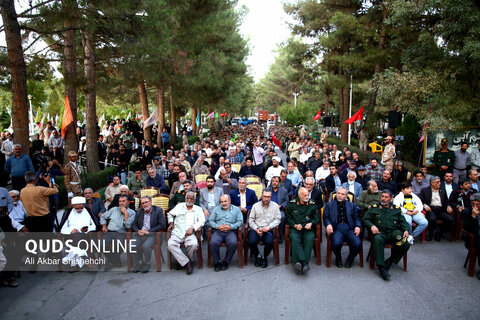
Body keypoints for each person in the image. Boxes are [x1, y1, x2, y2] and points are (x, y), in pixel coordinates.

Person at [363, 190, 410, 281]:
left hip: (394, 233)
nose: (383, 199)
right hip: (381, 233)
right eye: (382, 196)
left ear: (391, 198)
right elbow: (365, 219)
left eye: (386, 197)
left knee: (405, 243)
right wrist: (372, 226)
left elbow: (403, 221)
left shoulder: (396, 209)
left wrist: (406, 230)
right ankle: (381, 267)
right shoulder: (375, 207)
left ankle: (390, 260)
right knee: (377, 239)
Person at [167, 192, 205, 275]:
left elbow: (202, 221)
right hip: (178, 232)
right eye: (188, 198)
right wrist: (171, 223)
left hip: (190, 233)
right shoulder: (179, 206)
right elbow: (170, 214)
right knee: (170, 244)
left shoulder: (198, 209)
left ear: (195, 200)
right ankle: (187, 262)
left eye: (192, 198)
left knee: (194, 244)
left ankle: (183, 261)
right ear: (185, 199)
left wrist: (192, 228)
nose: (189, 200)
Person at [324, 187, 362, 268]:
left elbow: (357, 218)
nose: (340, 195)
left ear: (346, 196)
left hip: (349, 228)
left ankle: (350, 258)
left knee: (357, 244)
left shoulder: (352, 205)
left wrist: (358, 226)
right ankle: (338, 257)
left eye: (342, 194)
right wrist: (328, 224)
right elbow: (326, 217)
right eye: (338, 193)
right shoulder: (329, 205)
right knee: (336, 243)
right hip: (336, 228)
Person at [286, 187, 320, 274]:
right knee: (294, 238)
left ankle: (299, 262)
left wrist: (311, 223)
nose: (307, 196)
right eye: (305, 195)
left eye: (308, 194)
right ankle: (304, 263)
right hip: (296, 228)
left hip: (307, 228)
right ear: (299, 195)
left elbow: (317, 218)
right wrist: (294, 225)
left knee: (309, 239)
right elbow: (288, 217)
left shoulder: (312, 203)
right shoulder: (292, 203)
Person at [131, 196, 166, 273]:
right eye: (143, 203)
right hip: (140, 234)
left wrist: (149, 231)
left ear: (151, 202)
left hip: (153, 235)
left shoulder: (158, 210)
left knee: (146, 246)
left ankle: (147, 263)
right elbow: (134, 225)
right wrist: (138, 230)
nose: (145, 204)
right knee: (131, 245)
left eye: (146, 202)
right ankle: (139, 263)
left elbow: (162, 225)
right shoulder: (139, 211)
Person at [100, 195, 136, 271]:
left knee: (118, 244)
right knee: (101, 244)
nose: (121, 203)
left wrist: (126, 214)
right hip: (110, 232)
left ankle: (111, 262)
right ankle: (115, 260)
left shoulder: (132, 213)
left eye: (123, 201)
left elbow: (128, 226)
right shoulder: (113, 209)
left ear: (128, 202)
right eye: (120, 201)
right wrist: (104, 226)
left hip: (122, 233)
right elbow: (103, 216)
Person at [209, 194, 243, 271]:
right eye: (222, 202)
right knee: (213, 242)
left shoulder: (236, 210)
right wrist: (218, 226)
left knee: (233, 243)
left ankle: (226, 261)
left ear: (229, 201)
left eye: (225, 201)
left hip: (231, 231)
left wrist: (231, 227)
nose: (223, 203)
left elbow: (240, 221)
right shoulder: (216, 209)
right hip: (218, 231)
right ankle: (217, 262)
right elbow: (210, 221)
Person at [247, 190, 281, 268]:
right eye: (265, 196)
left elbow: (278, 219)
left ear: (271, 197)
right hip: (256, 229)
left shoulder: (275, 206)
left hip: (268, 229)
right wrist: (256, 229)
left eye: (268, 197)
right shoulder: (255, 205)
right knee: (251, 241)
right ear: (262, 196)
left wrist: (269, 227)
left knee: (269, 242)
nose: (266, 199)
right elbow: (251, 219)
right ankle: (257, 255)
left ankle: (265, 257)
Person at [419, 176, 452, 241]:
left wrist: (448, 206)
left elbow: (446, 201)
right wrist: (424, 205)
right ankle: (430, 233)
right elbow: (420, 201)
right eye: (437, 182)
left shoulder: (442, 190)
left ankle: (439, 233)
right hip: (431, 209)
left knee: (450, 219)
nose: (439, 183)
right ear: (432, 183)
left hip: (441, 209)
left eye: (440, 182)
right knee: (432, 218)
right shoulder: (425, 190)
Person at [461, 193, 480, 280]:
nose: (475, 206)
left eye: (478, 204)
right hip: (474, 237)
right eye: (473, 204)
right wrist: (473, 217)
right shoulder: (466, 212)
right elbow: (468, 228)